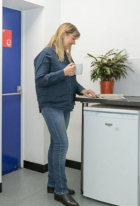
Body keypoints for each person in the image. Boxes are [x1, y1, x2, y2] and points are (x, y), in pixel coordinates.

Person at [34, 23, 97, 206]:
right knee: (62, 144)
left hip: (64, 105)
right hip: (51, 105)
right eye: (73, 38)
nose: (74, 42)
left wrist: (83, 90)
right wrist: (63, 72)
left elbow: (72, 80)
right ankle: (60, 191)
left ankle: (53, 184)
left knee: (56, 144)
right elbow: (40, 80)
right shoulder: (46, 54)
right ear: (63, 34)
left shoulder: (66, 55)